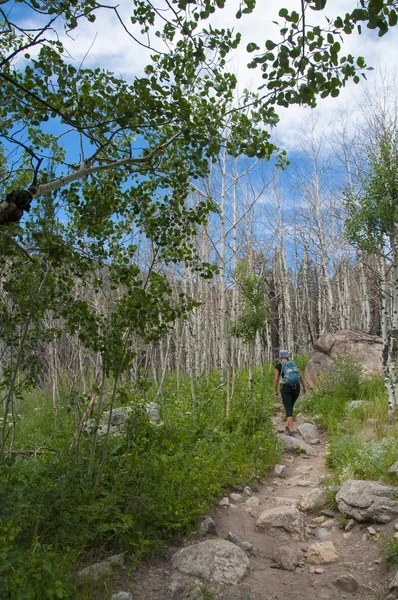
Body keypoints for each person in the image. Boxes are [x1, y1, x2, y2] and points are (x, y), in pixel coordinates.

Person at [274, 350, 306, 436]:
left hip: (286, 388)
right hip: (296, 387)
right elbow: (300, 375)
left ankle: (291, 429)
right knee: (290, 406)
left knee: (288, 408)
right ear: (287, 356)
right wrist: (304, 387)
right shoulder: (293, 364)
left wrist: (275, 390)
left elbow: (276, 379)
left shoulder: (278, 365)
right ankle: (286, 426)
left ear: (280, 357)